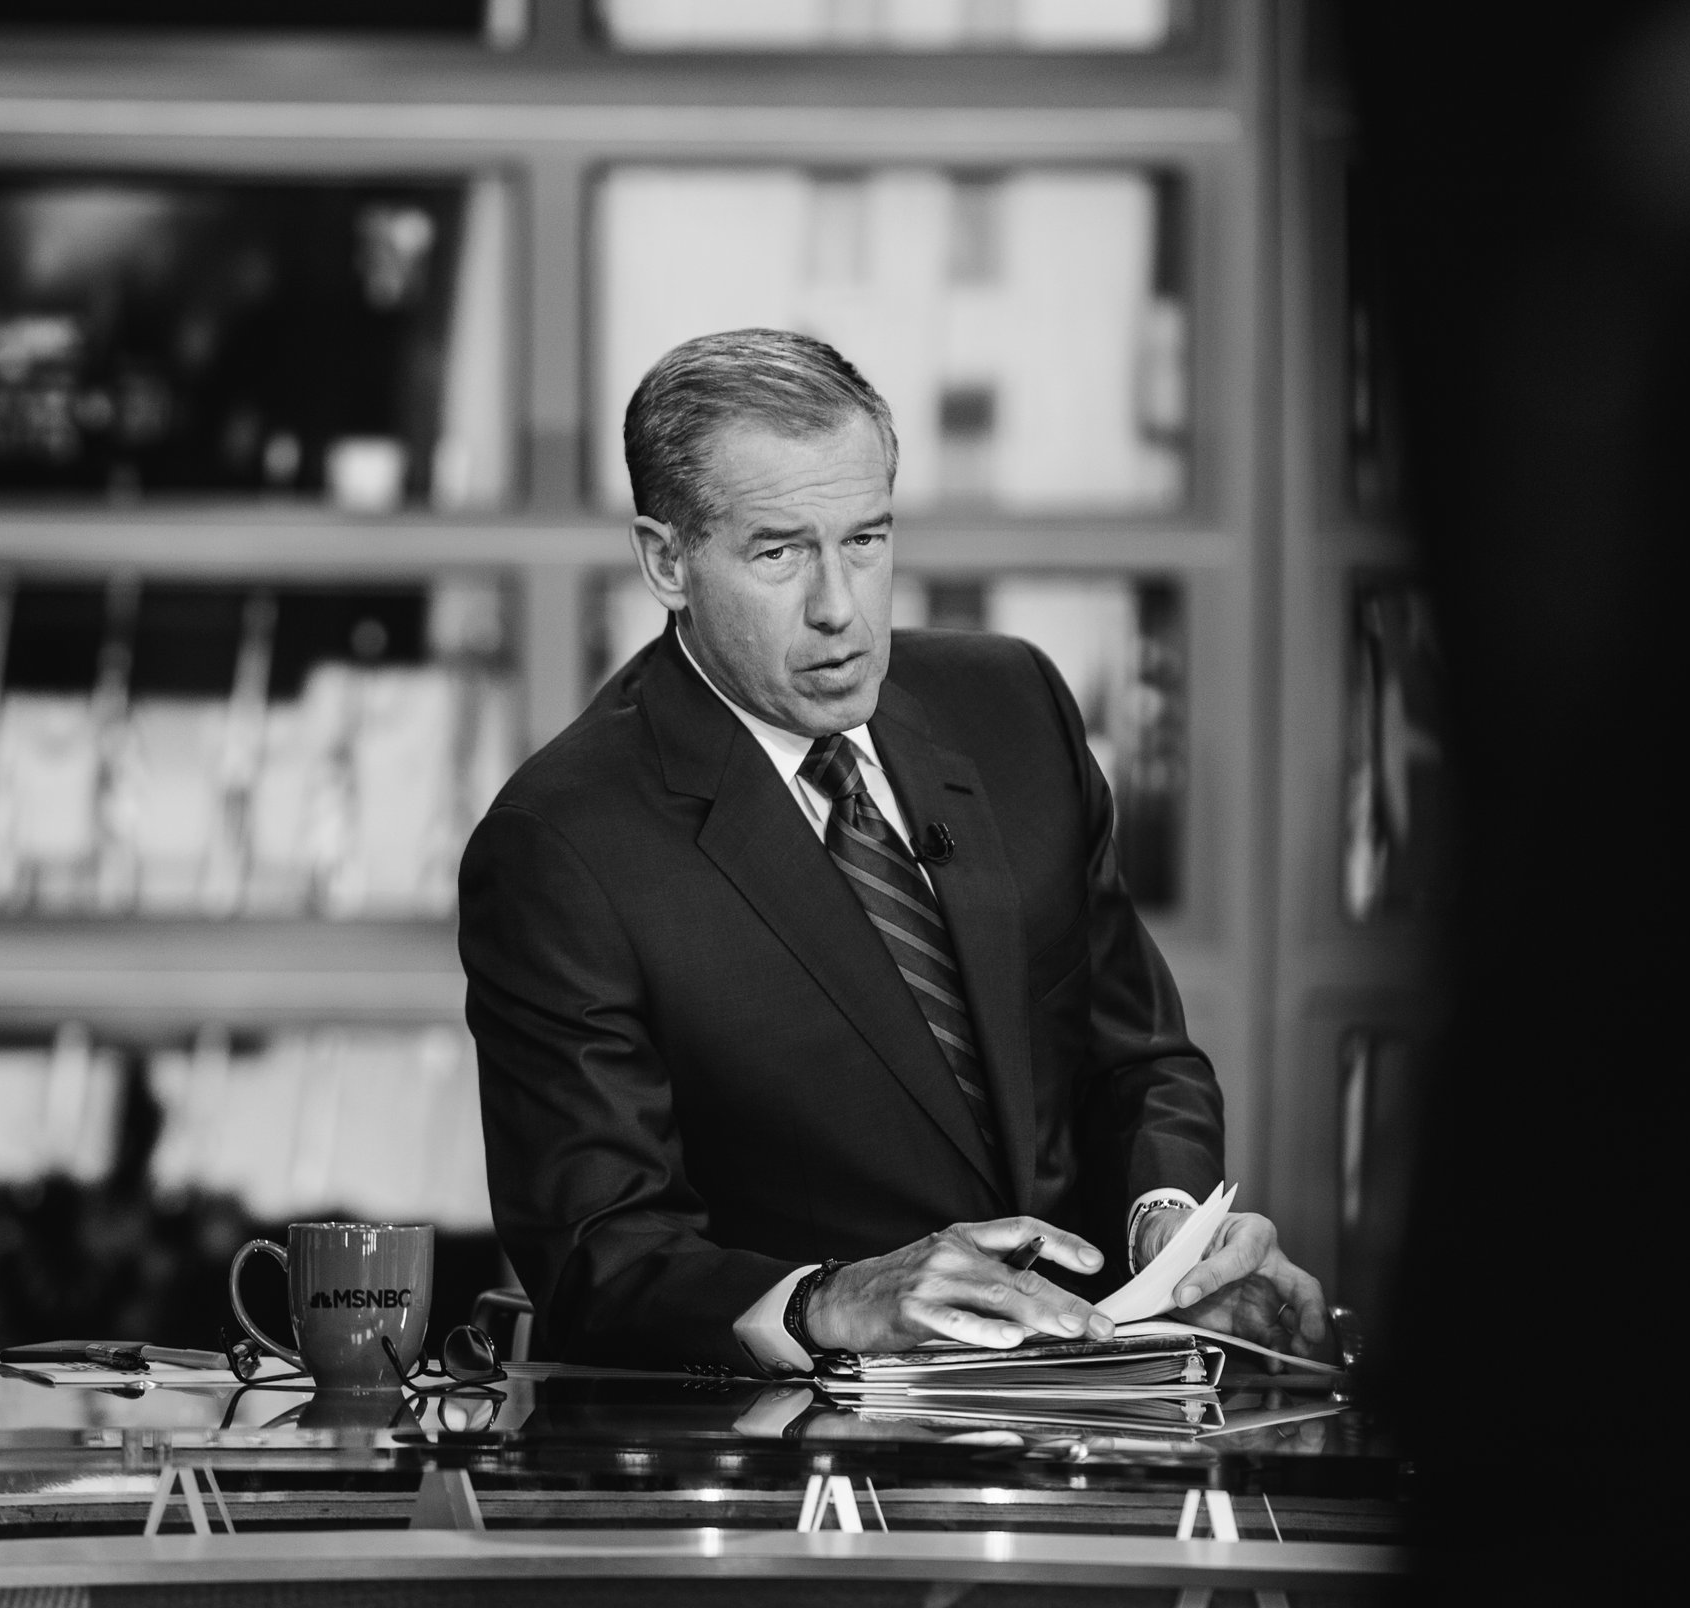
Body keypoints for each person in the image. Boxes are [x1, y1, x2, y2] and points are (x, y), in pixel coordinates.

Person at [459, 329, 1327, 1372]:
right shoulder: (564, 842)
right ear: (666, 560)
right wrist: (830, 1299)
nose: (840, 608)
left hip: (1087, 1423)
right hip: (788, 1480)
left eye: (865, 539)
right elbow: (598, 1251)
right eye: (779, 552)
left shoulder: (1013, 707)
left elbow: (1136, 1057)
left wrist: (1171, 1229)